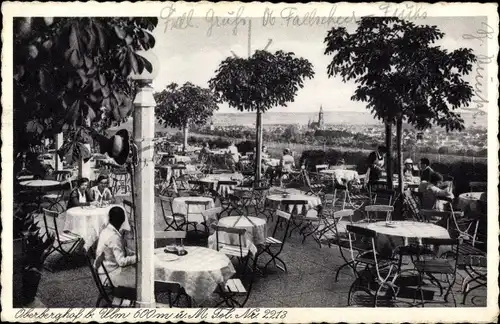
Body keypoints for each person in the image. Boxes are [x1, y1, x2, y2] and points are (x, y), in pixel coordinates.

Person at [96, 206, 136, 288]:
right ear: (122, 221)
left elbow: (116, 250)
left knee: (134, 270)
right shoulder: (114, 237)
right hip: (110, 276)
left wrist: (130, 253)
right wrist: (137, 257)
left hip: (104, 270)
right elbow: (121, 262)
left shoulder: (105, 231)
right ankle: (128, 297)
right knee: (141, 278)